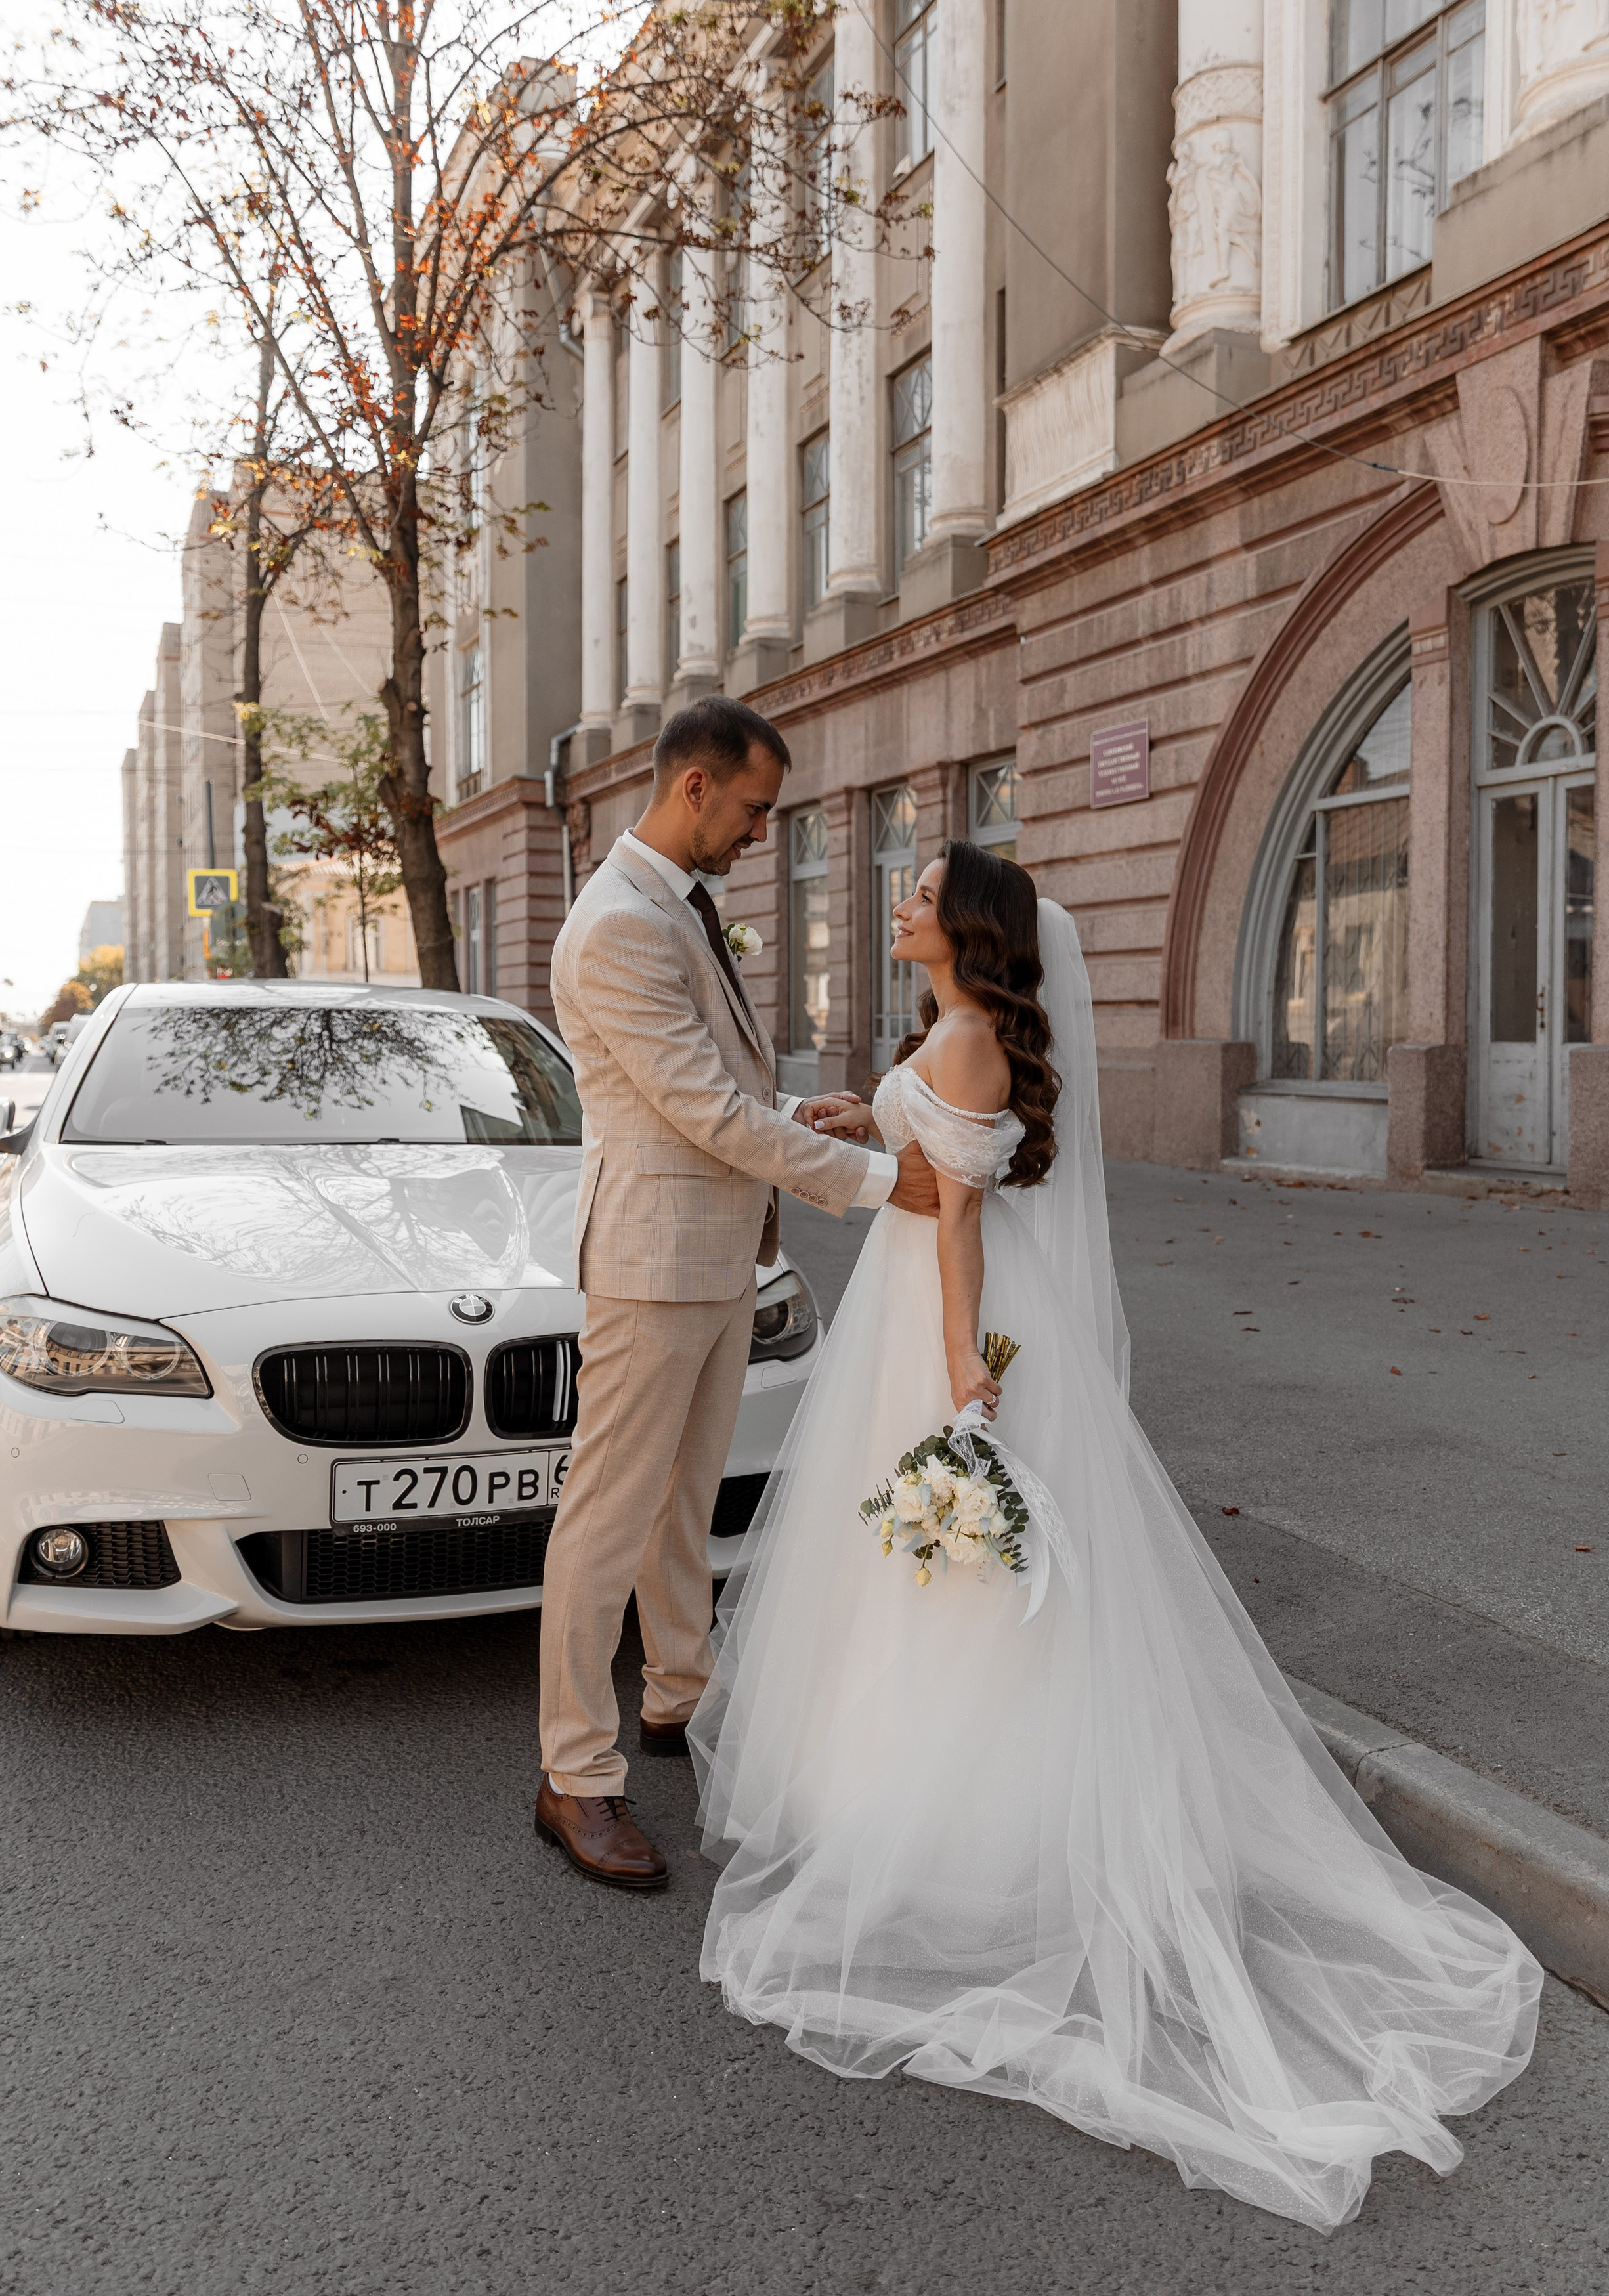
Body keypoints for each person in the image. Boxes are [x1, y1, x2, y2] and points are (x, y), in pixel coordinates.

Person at [690, 841, 1541, 2234]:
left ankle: (960, 1829)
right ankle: (887, 1790)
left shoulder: (965, 1043)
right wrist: (862, 1121)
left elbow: (956, 1218)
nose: (897, 905)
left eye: (915, 894)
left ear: (961, 929)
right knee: (938, 1572)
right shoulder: (947, 1035)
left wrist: (958, 1364)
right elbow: (924, 1167)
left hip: (945, 1318)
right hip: (926, 1302)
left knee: (961, 1572)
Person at [536, 696, 940, 1890]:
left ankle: (677, 1697)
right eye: (757, 808)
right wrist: (877, 1179)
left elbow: (717, 1094)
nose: (764, 832)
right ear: (696, 787)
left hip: (719, 1252)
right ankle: (573, 1775)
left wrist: (789, 1117)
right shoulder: (616, 924)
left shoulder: (680, 905)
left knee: (683, 1498)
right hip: (654, 1258)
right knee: (607, 1515)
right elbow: (697, 1111)